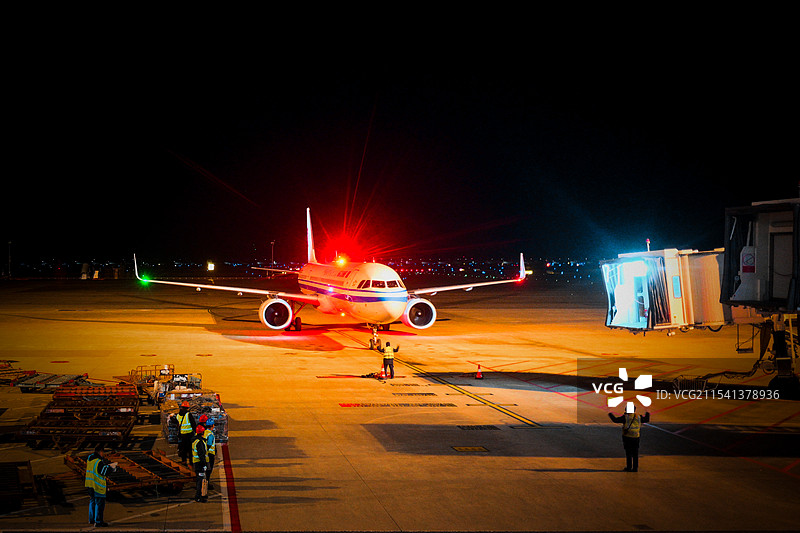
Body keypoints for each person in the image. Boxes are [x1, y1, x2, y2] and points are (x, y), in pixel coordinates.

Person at [608, 405, 650, 472]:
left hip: (627, 437)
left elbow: (615, 420)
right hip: (636, 437)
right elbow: (647, 419)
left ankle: (629, 467)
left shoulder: (626, 417)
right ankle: (635, 468)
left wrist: (610, 413)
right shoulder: (638, 417)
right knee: (635, 453)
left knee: (628, 453)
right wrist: (647, 412)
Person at [84, 444, 118, 527]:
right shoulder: (98, 462)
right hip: (97, 486)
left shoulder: (90, 459)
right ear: (100, 452)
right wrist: (111, 468)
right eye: (103, 452)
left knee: (92, 502)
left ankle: (91, 520)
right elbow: (103, 471)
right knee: (99, 504)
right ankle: (98, 522)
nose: (103, 454)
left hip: (89, 485)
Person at [173, 401, 195, 465]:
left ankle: (184, 461)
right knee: (190, 448)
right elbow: (193, 424)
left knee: (183, 448)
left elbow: (176, 422)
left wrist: (171, 417)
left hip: (182, 434)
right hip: (189, 434)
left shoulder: (178, 415)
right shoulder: (188, 415)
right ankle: (191, 461)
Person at [191, 425, 209, 502]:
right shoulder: (200, 443)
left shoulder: (195, 441)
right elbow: (201, 455)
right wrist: (204, 465)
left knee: (200, 480)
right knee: (200, 480)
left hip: (196, 462)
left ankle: (200, 495)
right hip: (199, 464)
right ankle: (198, 497)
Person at [203, 418, 217, 486]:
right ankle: (207, 483)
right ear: (212, 426)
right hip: (209, 455)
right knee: (209, 470)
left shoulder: (204, 432)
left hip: (204, 454)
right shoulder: (210, 435)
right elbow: (209, 444)